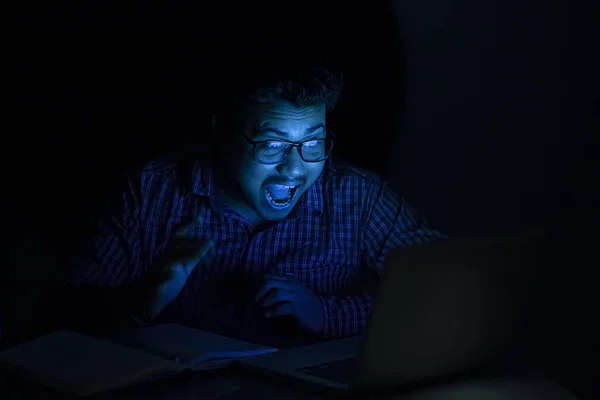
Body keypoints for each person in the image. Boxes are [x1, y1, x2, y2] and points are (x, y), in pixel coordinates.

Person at [59, 50, 446, 346]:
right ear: (223, 133)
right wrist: (145, 298)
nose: (295, 168)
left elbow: (445, 283)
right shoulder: (149, 193)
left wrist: (329, 315)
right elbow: (61, 315)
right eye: (272, 144)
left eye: (312, 143)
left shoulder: (357, 196)